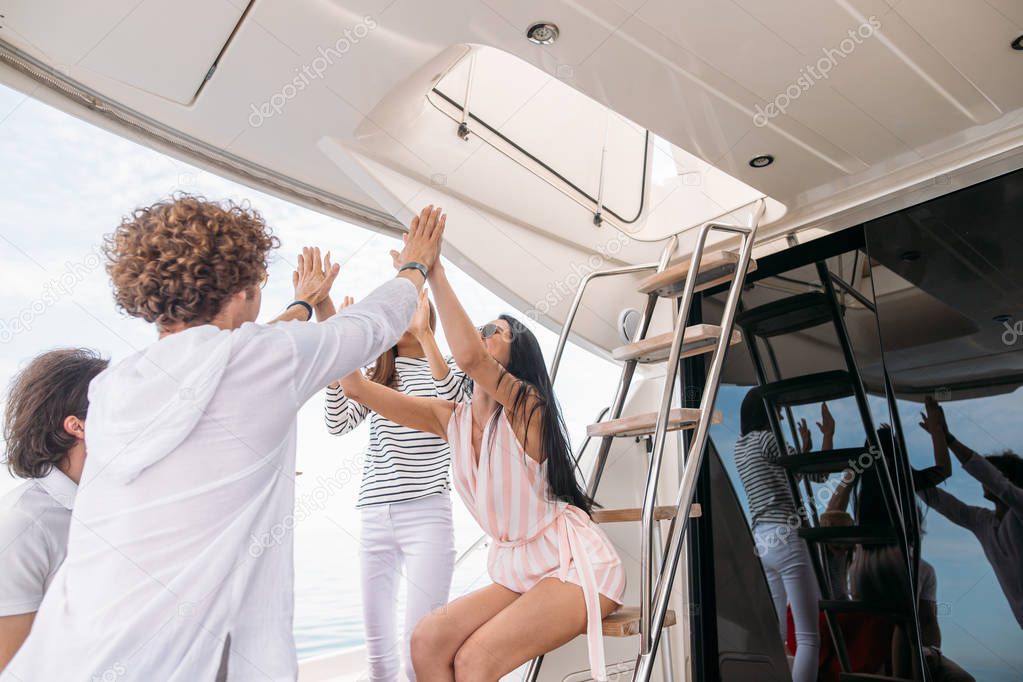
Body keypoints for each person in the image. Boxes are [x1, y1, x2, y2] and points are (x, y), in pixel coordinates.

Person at [0, 197, 444, 681]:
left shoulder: (117, 386)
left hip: (70, 656)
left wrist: (299, 307)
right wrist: (415, 265)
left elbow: (216, 367)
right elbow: (369, 325)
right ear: (242, 289)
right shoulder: (260, 362)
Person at [336, 212, 625, 682]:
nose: (483, 336)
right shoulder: (451, 418)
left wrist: (434, 269)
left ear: (516, 356)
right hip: (520, 568)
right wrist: (339, 316)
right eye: (484, 329)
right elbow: (357, 389)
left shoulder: (528, 406)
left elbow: (467, 356)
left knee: (474, 660)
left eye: (496, 331)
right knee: (426, 641)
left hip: (577, 565)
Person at [321, 288, 470, 681]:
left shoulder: (447, 368)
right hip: (374, 519)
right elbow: (337, 423)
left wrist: (426, 337)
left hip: (427, 517)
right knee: (379, 664)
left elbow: (456, 403)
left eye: (412, 308)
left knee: (418, 652)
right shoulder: (377, 376)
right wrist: (346, 351)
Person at [0, 349, 108, 670]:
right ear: (78, 426)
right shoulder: (22, 524)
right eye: (118, 408)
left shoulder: (114, 506)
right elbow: (10, 666)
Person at [734, 389, 829, 682]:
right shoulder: (770, 439)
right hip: (786, 535)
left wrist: (801, 449)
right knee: (808, 637)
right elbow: (819, 475)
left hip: (761, 540)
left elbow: (784, 476)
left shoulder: (740, 447)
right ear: (767, 413)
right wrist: (828, 435)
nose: (779, 415)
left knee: (775, 636)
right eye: (775, 410)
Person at [917, 396, 1023, 629]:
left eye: (993, 473)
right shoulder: (984, 521)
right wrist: (902, 472)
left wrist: (948, 438)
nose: (983, 482)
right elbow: (948, 505)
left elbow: (995, 481)